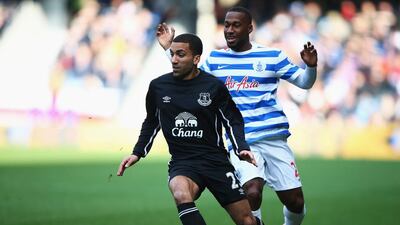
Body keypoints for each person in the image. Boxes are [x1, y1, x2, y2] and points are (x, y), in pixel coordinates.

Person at [156, 6, 318, 225]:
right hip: (240, 142)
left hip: (274, 140)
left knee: (295, 202)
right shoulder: (215, 60)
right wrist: (169, 49)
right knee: (252, 192)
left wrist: (310, 67)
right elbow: (188, 72)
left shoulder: (271, 56)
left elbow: (304, 82)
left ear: (249, 28)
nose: (230, 30)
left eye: (236, 25)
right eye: (226, 25)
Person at [117, 33, 264, 225]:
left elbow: (232, 119)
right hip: (183, 162)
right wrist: (138, 152)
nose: (174, 60)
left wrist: (241, 147)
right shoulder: (158, 87)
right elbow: (152, 121)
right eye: (172, 54)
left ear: (196, 59)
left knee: (247, 221)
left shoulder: (213, 86)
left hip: (215, 162)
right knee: (180, 192)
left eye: (180, 54)